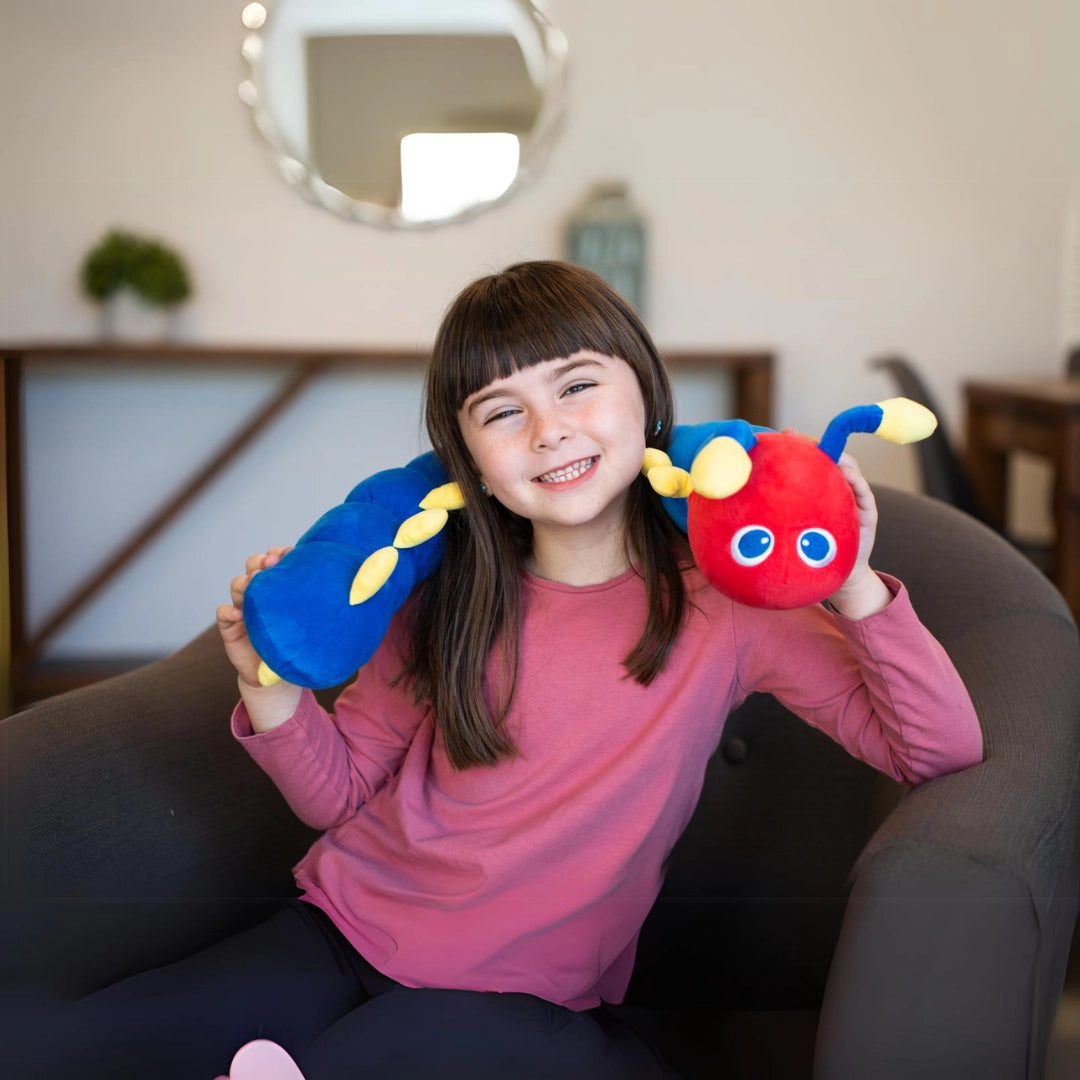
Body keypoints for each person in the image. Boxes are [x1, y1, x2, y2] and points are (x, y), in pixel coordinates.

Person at [43, 261, 985, 1079]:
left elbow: (937, 748)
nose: (548, 431)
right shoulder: (444, 590)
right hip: (339, 933)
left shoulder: (726, 607)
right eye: (504, 411)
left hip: (515, 998)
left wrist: (854, 583)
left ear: (646, 399)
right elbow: (340, 800)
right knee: (79, 1048)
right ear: (472, 463)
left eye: (577, 386)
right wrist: (270, 688)